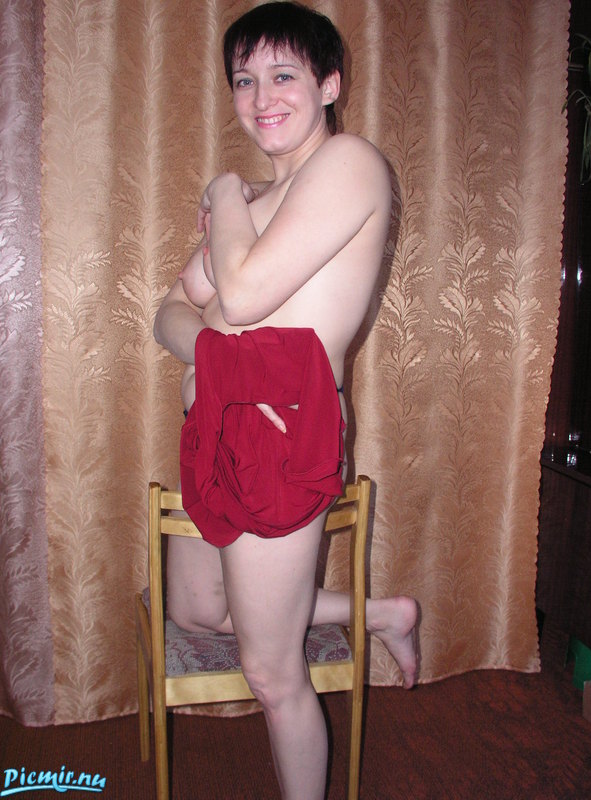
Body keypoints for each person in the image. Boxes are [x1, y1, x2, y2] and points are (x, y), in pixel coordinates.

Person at [154, 3, 418, 798]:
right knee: (196, 611)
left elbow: (238, 294)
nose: (260, 96)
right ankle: (383, 613)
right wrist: (214, 357)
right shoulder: (259, 203)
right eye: (244, 79)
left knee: (271, 673)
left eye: (282, 75)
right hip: (217, 422)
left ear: (329, 84)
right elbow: (170, 311)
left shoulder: (348, 163)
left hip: (281, 431)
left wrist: (219, 189)